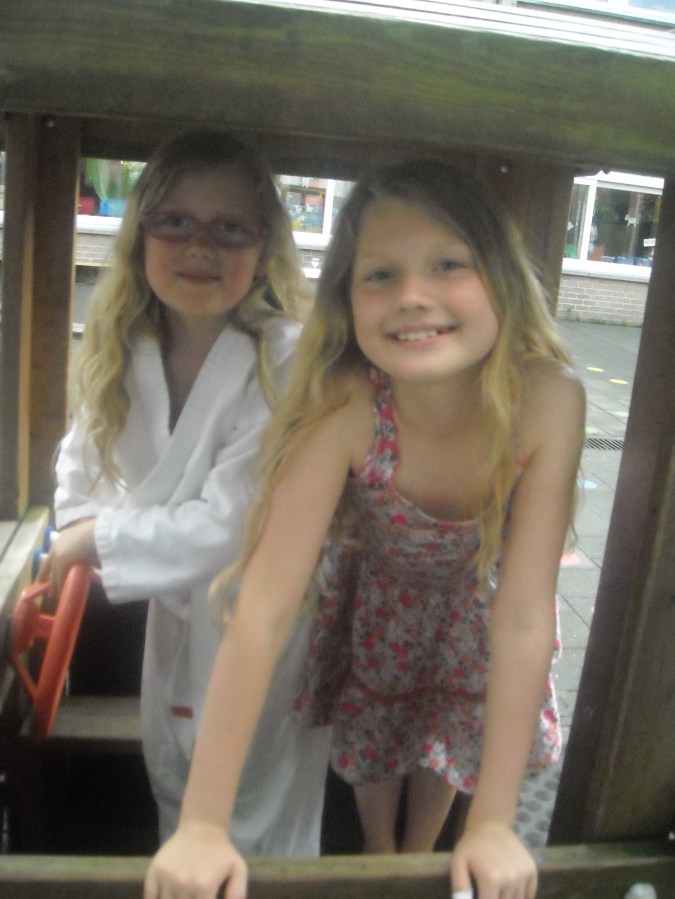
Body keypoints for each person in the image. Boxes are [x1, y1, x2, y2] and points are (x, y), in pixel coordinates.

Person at [145, 159, 586, 899]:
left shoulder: (546, 400)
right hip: (381, 598)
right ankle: (381, 852)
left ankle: (427, 847)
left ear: (503, 279)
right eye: (380, 274)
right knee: (375, 733)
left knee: (449, 734)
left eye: (448, 264)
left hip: (473, 605)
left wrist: (493, 822)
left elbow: (520, 616)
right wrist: (202, 823)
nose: (412, 294)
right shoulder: (348, 405)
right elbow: (263, 607)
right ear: (347, 301)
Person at [37, 128, 332, 855]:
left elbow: (233, 524)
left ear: (263, 245)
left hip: (261, 612)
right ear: (142, 233)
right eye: (175, 221)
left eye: (230, 228)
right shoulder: (121, 343)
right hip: (173, 609)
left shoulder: (287, 357)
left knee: (256, 794)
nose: (200, 246)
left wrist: (99, 538)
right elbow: (79, 469)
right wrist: (86, 528)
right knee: (173, 768)